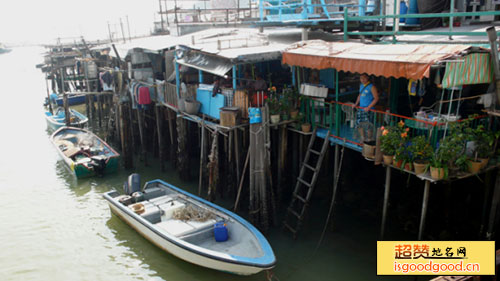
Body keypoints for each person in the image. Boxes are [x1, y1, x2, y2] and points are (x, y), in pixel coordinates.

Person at [354, 73, 379, 141]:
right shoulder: (361, 85)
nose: (362, 80)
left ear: (367, 78)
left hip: (369, 109)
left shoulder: (372, 87)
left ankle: (369, 139)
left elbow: (376, 98)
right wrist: (356, 104)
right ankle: (362, 137)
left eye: (364, 78)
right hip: (361, 108)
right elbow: (359, 95)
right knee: (359, 123)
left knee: (368, 125)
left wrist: (369, 107)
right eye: (361, 78)